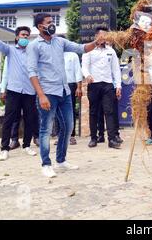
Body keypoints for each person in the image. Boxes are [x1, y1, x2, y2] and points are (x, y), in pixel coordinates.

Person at [27, 13, 99, 178]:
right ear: (40, 26)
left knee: (68, 126)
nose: (52, 25)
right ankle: (46, 164)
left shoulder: (59, 41)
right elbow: (31, 72)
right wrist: (41, 95)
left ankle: (61, 160)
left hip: (64, 91)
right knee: (45, 129)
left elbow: (81, 48)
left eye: (53, 22)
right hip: (47, 93)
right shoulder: (34, 46)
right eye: (49, 22)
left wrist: (96, 42)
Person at [0, 17, 39, 161]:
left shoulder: (32, 52)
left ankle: (27, 145)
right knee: (9, 120)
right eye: (22, 35)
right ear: (17, 37)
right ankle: (4, 148)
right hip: (14, 90)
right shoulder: (10, 50)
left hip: (30, 91)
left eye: (27, 35)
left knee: (30, 119)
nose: (25, 37)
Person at [82, 27, 122, 149]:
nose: (104, 38)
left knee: (109, 112)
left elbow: (116, 69)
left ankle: (111, 139)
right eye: (101, 36)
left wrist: (118, 85)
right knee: (94, 112)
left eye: (106, 36)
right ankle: (93, 138)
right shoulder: (89, 50)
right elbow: (84, 66)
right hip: (94, 84)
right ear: (96, 37)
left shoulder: (111, 51)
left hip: (108, 85)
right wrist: (87, 75)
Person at [0, 56, 40, 150]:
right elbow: (6, 73)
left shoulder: (32, 55)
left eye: (26, 39)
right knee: (13, 116)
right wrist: (2, 89)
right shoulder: (10, 55)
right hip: (14, 90)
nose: (24, 40)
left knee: (31, 116)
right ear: (17, 40)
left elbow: (37, 72)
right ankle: (14, 140)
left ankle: (33, 139)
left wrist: (39, 89)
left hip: (29, 90)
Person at [53, 35, 83, 146]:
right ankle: (59, 135)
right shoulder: (52, 55)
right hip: (55, 85)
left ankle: (71, 136)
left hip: (70, 86)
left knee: (69, 111)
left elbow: (77, 72)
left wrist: (79, 87)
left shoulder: (73, 55)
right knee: (56, 111)